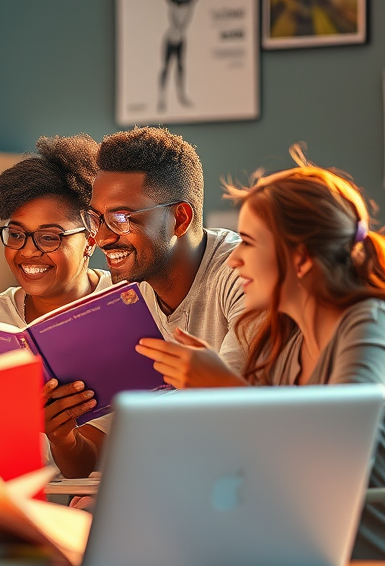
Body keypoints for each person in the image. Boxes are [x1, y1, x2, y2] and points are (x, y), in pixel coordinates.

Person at [136, 146, 385, 564]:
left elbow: (333, 451)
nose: (235, 258)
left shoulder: (372, 326)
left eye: (249, 242)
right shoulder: (285, 340)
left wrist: (221, 387)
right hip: (319, 562)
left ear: (302, 258)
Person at [51, 126, 246, 477]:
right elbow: (87, 461)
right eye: (96, 218)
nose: (103, 238)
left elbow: (239, 412)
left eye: (123, 218)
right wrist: (63, 436)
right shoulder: (125, 297)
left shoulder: (242, 273)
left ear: (180, 219)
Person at [0, 134, 110, 470]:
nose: (28, 251)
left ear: (90, 240)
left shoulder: (126, 306)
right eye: (16, 234)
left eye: (49, 237)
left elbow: (89, 470)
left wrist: (62, 437)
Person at [159, 0, 206, 113]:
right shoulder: (174, 0)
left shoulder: (190, 2)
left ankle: (181, 96)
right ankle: (162, 98)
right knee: (166, 68)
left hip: (181, 40)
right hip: (170, 38)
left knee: (180, 67)